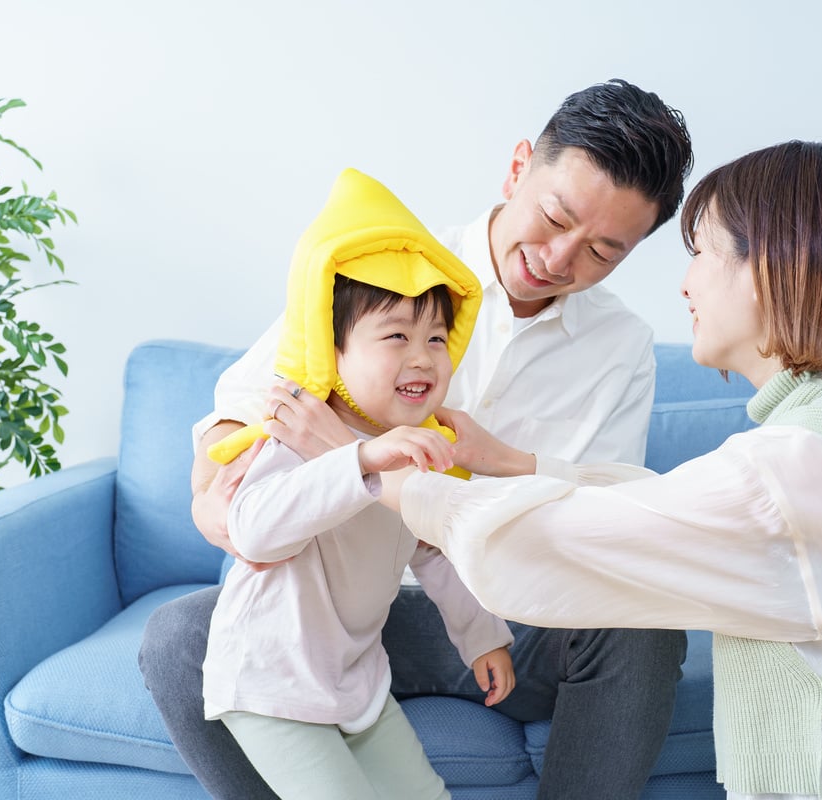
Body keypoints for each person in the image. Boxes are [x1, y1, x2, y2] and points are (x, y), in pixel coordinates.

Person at [368, 141, 822, 799]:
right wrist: (515, 462)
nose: (686, 282)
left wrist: (405, 485)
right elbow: (678, 512)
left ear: (773, 269)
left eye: (701, 253)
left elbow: (560, 543)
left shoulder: (793, 470)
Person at [139, 78, 694, 799]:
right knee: (182, 638)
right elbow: (241, 414)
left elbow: (591, 528)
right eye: (555, 217)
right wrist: (213, 494)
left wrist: (366, 452)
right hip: (336, 604)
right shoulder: (385, 269)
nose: (559, 259)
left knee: (643, 630)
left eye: (602, 251)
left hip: (502, 609)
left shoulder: (620, 347)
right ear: (519, 166)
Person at [203, 167, 514, 800]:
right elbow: (254, 531)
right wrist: (361, 459)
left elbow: (434, 546)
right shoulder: (294, 432)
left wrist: (482, 636)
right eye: (395, 336)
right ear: (334, 349)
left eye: (435, 338)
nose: (422, 356)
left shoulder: (422, 446)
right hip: (270, 680)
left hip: (356, 677)